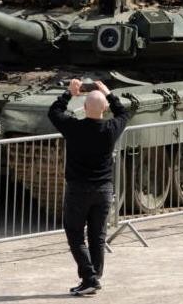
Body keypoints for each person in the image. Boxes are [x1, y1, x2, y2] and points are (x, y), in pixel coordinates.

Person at [48, 78, 132, 296]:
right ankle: (94, 276)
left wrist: (69, 93)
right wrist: (108, 93)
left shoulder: (74, 128)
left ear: (84, 108)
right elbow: (123, 113)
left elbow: (54, 112)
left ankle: (89, 278)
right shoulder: (111, 129)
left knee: (75, 234)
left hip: (78, 189)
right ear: (104, 109)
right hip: (103, 189)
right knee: (97, 235)